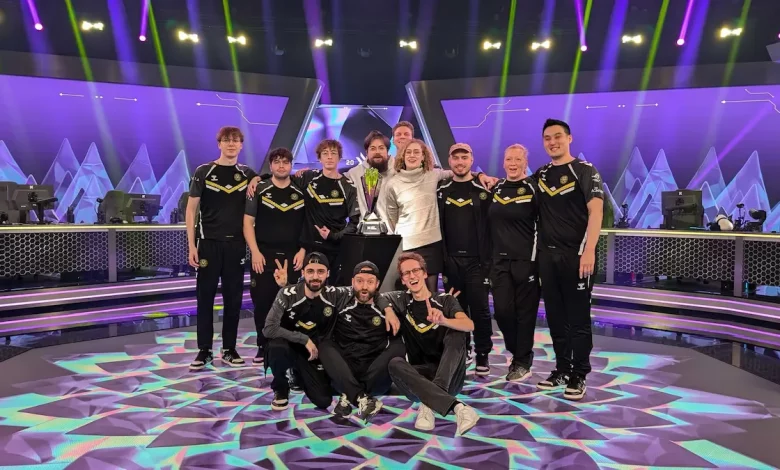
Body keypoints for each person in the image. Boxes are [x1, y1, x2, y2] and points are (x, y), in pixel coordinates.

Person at [534, 119, 604, 401]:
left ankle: (579, 374)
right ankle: (562, 369)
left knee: (578, 319)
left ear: (569, 138)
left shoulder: (585, 170)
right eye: (547, 138)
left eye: (558, 136)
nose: (553, 142)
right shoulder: (541, 174)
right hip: (547, 258)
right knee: (555, 318)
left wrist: (589, 251)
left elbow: (596, 212)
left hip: (577, 257)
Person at [381, 253, 480, 436]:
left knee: (457, 332)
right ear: (403, 280)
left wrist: (444, 321)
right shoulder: (401, 300)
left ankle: (428, 404)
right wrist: (388, 311)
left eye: (416, 270)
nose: (412, 276)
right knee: (394, 363)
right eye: (406, 273)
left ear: (425, 273)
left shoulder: (445, 300)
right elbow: (377, 297)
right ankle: (458, 408)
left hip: (450, 377)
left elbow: (469, 325)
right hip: (419, 379)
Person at [187, 126, 259, 371]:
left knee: (234, 300)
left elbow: (268, 179)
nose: (231, 144)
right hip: (207, 244)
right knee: (205, 299)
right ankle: (204, 350)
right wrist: (191, 245)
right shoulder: (204, 171)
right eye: (226, 140)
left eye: (235, 140)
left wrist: (258, 179)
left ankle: (229, 349)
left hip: (236, 246)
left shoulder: (248, 174)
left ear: (241, 145)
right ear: (219, 144)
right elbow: (191, 210)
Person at [384, 139, 497, 293]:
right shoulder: (392, 183)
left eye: (416, 152)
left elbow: (459, 171)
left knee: (431, 294)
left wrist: (481, 175)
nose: (412, 155)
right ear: (402, 156)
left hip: (432, 245)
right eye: (408, 152)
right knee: (407, 293)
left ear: (423, 156)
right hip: (406, 245)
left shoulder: (434, 175)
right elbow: (392, 217)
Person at [318, 261, 405, 422]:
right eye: (359, 281)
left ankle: (350, 394)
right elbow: (314, 291)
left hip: (374, 378)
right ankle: (361, 397)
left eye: (370, 282)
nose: (364, 286)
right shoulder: (341, 300)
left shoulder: (388, 305)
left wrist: (388, 309)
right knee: (324, 345)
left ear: (377, 284)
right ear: (352, 282)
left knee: (399, 347)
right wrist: (285, 285)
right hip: (345, 372)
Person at [263, 252, 350, 410]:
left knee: (323, 401)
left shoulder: (334, 294)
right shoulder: (287, 293)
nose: (315, 276)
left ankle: (298, 375)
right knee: (277, 347)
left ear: (328, 273)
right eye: (310, 271)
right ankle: (281, 387)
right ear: (302, 273)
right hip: (290, 347)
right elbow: (269, 329)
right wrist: (303, 339)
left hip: (314, 353)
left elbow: (365, 290)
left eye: (320, 271)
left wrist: (388, 308)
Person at [243, 147, 306, 365]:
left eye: (285, 162)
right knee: (262, 302)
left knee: (291, 304)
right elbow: (247, 223)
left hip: (292, 257)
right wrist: (255, 252)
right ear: (270, 166)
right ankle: (263, 346)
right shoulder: (258, 189)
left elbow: (307, 225)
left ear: (291, 165)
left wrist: (303, 251)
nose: (281, 166)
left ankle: (288, 345)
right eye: (277, 162)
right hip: (263, 255)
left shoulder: (301, 191)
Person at [436, 143, 493, 377]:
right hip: (451, 263)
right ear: (450, 161)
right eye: (456, 158)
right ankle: (463, 350)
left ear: (472, 160)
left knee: (480, 309)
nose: (460, 162)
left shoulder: (483, 189)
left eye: (464, 157)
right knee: (456, 309)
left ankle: (482, 353)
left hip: (477, 263)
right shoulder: (441, 190)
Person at [488, 144, 541, 383]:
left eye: (518, 159)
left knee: (525, 315)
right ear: (503, 162)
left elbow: (543, 224)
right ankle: (517, 352)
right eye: (509, 159)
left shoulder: (533, 188)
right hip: (499, 262)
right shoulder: (496, 188)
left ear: (525, 162)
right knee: (502, 312)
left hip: (526, 261)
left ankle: (522, 361)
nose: (513, 163)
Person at [346, 131, 396, 221]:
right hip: (364, 227)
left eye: (381, 148)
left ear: (387, 151)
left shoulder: (399, 172)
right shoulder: (354, 173)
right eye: (373, 149)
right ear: (366, 152)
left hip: (394, 228)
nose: (377, 152)